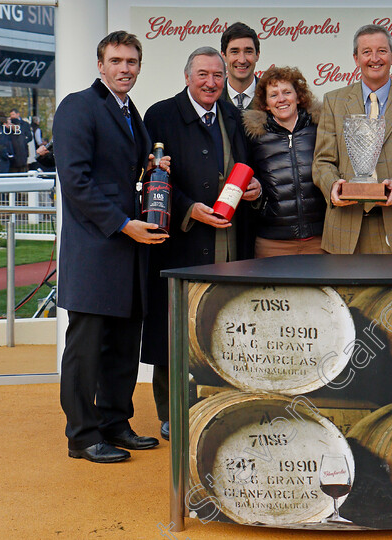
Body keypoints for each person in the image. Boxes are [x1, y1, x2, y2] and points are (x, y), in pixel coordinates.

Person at [54, 30, 169, 463]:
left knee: (123, 345)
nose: (125, 69)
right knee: (85, 352)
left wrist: (155, 167)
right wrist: (123, 224)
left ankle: (115, 423)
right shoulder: (78, 106)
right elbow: (77, 181)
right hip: (97, 249)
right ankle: (82, 436)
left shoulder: (128, 111)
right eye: (117, 61)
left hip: (129, 249)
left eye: (132, 62)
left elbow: (126, 173)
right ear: (99, 65)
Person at [142, 46, 261, 440]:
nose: (211, 82)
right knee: (174, 329)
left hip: (229, 241)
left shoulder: (234, 116)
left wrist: (255, 187)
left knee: (224, 326)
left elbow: (249, 170)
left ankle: (221, 406)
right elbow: (152, 180)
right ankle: (171, 411)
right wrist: (189, 209)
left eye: (218, 75)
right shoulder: (160, 115)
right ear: (187, 77)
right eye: (203, 75)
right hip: (180, 241)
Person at [312, 24, 392, 254]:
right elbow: (322, 161)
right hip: (345, 229)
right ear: (356, 58)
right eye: (366, 52)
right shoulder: (333, 101)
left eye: (382, 51)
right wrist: (333, 186)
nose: (374, 58)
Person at [243, 66, 326, 256]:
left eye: (287, 92)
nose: (281, 99)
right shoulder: (254, 137)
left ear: (298, 97)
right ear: (265, 103)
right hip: (272, 242)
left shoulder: (321, 128)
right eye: (273, 95)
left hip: (319, 239)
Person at [220, 22, 260, 111]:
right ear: (224, 56)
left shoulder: (272, 96)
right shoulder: (212, 98)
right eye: (235, 52)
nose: (242, 60)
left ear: (257, 55)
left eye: (248, 51)